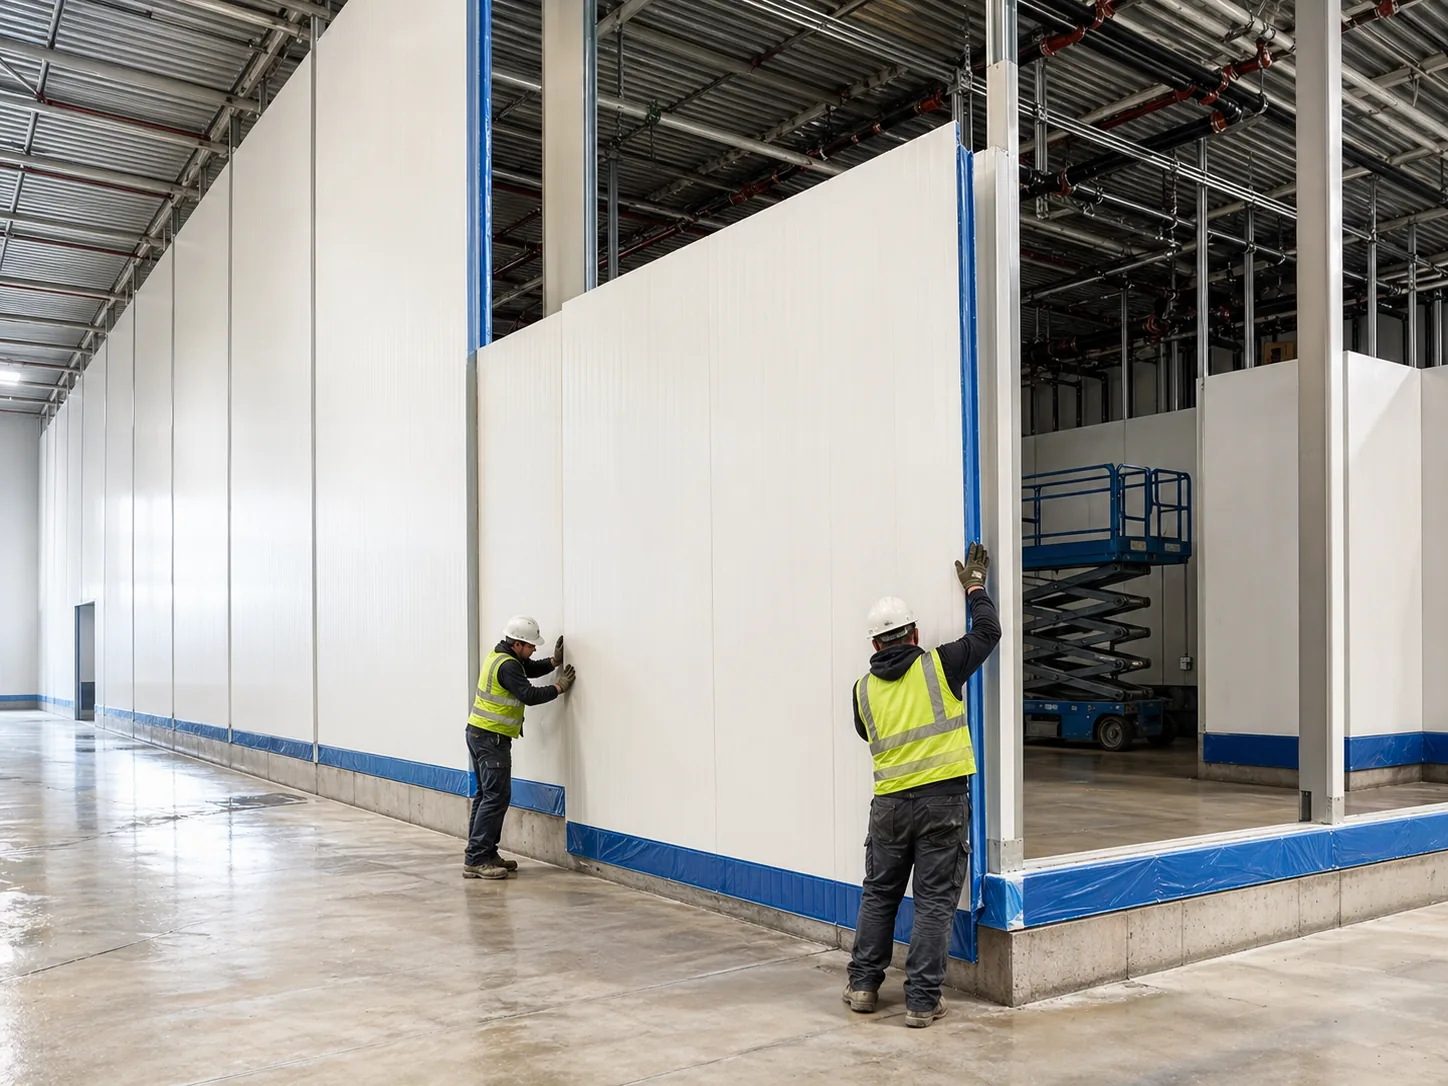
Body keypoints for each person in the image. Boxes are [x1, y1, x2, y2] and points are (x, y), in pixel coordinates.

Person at [842, 542, 1001, 1028]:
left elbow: (865, 733)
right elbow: (989, 632)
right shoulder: (941, 664)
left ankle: (864, 986)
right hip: (942, 805)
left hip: (888, 807)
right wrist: (975, 586)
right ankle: (921, 1001)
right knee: (933, 902)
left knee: (879, 894)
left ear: (875, 645)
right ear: (913, 633)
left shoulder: (862, 689)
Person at [464, 615, 577, 880]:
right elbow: (528, 694)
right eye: (531, 646)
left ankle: (484, 853)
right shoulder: (508, 666)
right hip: (492, 739)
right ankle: (477, 858)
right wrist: (559, 687)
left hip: (481, 735)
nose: (534, 649)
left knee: (487, 797)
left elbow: (528, 669)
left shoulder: (504, 657)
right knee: (494, 798)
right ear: (517, 644)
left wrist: (553, 662)